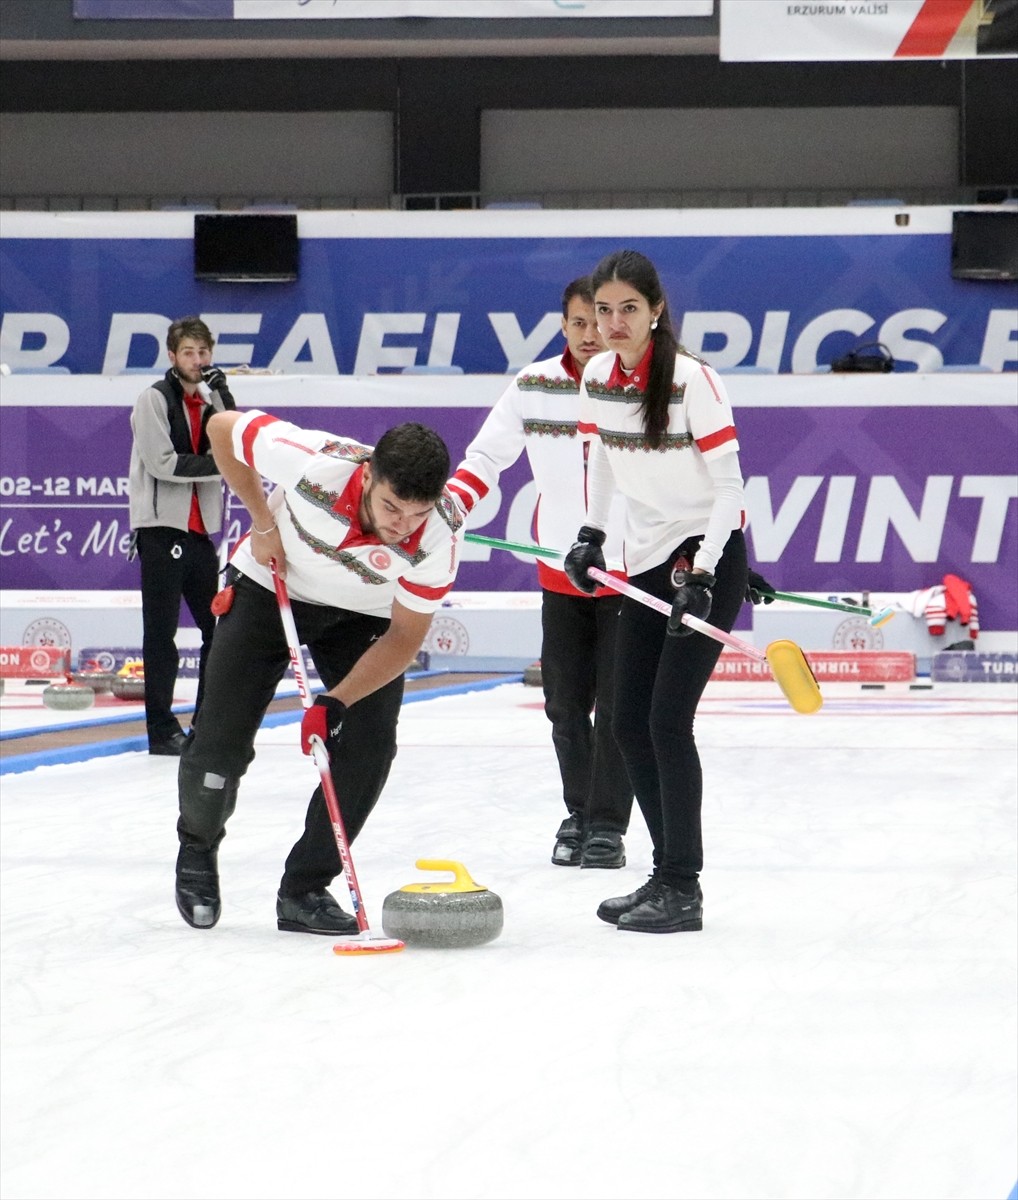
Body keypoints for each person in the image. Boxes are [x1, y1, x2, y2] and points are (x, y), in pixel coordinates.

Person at [173, 410, 462, 935]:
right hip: (272, 583)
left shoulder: (440, 533)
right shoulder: (314, 462)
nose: (400, 525)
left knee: (369, 745)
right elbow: (220, 430)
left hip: (366, 616)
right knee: (220, 739)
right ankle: (197, 847)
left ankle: (304, 887)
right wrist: (263, 523)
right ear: (368, 474)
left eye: (414, 514)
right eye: (390, 507)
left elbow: (403, 638)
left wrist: (336, 703)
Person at [564, 248, 749, 935]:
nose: (613, 323)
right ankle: (662, 873)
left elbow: (729, 488)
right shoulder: (595, 377)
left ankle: (683, 886)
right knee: (624, 722)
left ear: (656, 311)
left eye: (628, 309)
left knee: (667, 722)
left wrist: (704, 570)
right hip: (642, 561)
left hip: (702, 561)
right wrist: (591, 533)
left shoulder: (693, 381)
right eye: (602, 311)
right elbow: (606, 461)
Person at [448, 277, 634, 870]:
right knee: (564, 705)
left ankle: (608, 823)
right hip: (560, 575)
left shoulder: (641, 389)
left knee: (618, 706)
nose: (589, 334)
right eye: (577, 323)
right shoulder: (533, 385)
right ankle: (577, 811)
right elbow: (485, 458)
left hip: (629, 574)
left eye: (597, 322)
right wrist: (449, 509)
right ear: (563, 326)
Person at [127, 316, 236, 756]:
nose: (197, 361)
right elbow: (163, 464)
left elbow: (234, 441)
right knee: (161, 634)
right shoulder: (153, 399)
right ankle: (161, 728)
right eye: (189, 352)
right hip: (160, 529)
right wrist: (221, 465)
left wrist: (224, 396)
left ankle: (205, 721)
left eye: (203, 352)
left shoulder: (211, 402)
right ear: (172, 357)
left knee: (217, 631)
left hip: (199, 532)